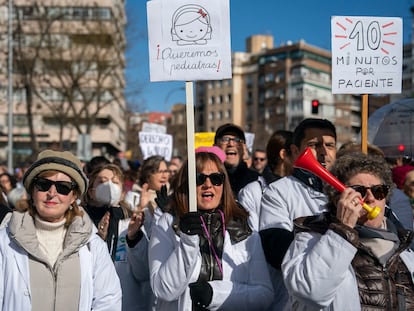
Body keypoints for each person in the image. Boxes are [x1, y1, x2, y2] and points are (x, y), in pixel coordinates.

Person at [282, 152, 414, 310]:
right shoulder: (311, 239)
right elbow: (311, 292)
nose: (371, 198)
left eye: (379, 190)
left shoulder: (404, 251)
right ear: (338, 199)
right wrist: (342, 229)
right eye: (359, 191)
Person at [149, 148, 274, 310]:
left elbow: (264, 294)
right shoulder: (168, 223)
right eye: (199, 178)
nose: (208, 185)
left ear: (224, 184)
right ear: (187, 183)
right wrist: (187, 241)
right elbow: (163, 290)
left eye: (216, 178)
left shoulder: (243, 227)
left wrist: (215, 294)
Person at [0, 150, 121, 309]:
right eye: (43, 184)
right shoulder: (5, 241)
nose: (52, 193)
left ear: (73, 196)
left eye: (63, 187)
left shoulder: (93, 245)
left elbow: (108, 301)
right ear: (32, 191)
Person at [259, 118, 337, 310]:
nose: (324, 152)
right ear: (294, 151)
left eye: (330, 145)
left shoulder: (351, 190)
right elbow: (276, 249)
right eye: (314, 145)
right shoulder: (278, 191)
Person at [238, 130, 293, 231]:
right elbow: (252, 237)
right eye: (296, 152)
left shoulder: (302, 189)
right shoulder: (252, 192)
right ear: (283, 154)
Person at [214, 123, 259, 196]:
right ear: (215, 147)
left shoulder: (256, 180)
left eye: (237, 140)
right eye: (225, 139)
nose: (231, 144)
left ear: (244, 148)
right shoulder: (207, 180)